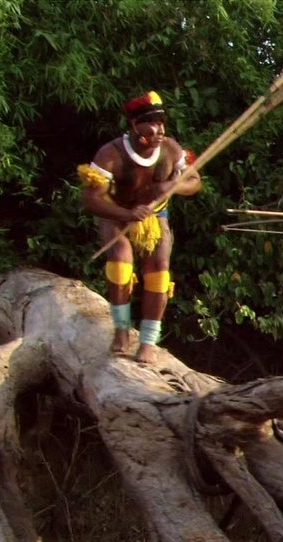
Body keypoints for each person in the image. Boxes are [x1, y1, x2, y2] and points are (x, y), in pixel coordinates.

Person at [78, 91, 202, 364]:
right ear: (135, 125)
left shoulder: (171, 149)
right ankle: (122, 330)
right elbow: (90, 200)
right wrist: (126, 212)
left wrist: (175, 185)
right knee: (121, 265)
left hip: (156, 218)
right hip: (118, 215)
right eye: (152, 123)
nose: (159, 130)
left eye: (162, 123)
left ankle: (148, 341)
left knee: (158, 272)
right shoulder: (111, 154)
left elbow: (195, 183)